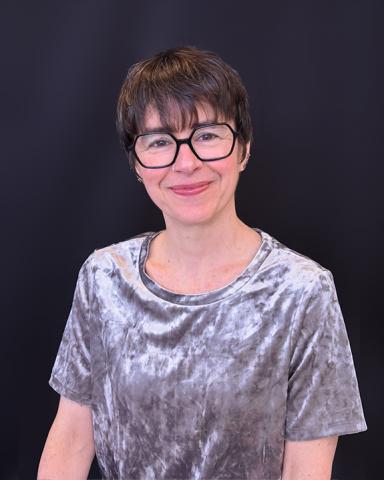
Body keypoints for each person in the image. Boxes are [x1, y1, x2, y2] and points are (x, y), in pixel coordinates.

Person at [38, 46, 367, 480]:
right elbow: (71, 440)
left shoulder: (302, 291)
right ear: (137, 164)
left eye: (208, 135)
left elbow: (307, 470)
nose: (186, 163)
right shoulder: (103, 277)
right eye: (159, 142)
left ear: (243, 148)